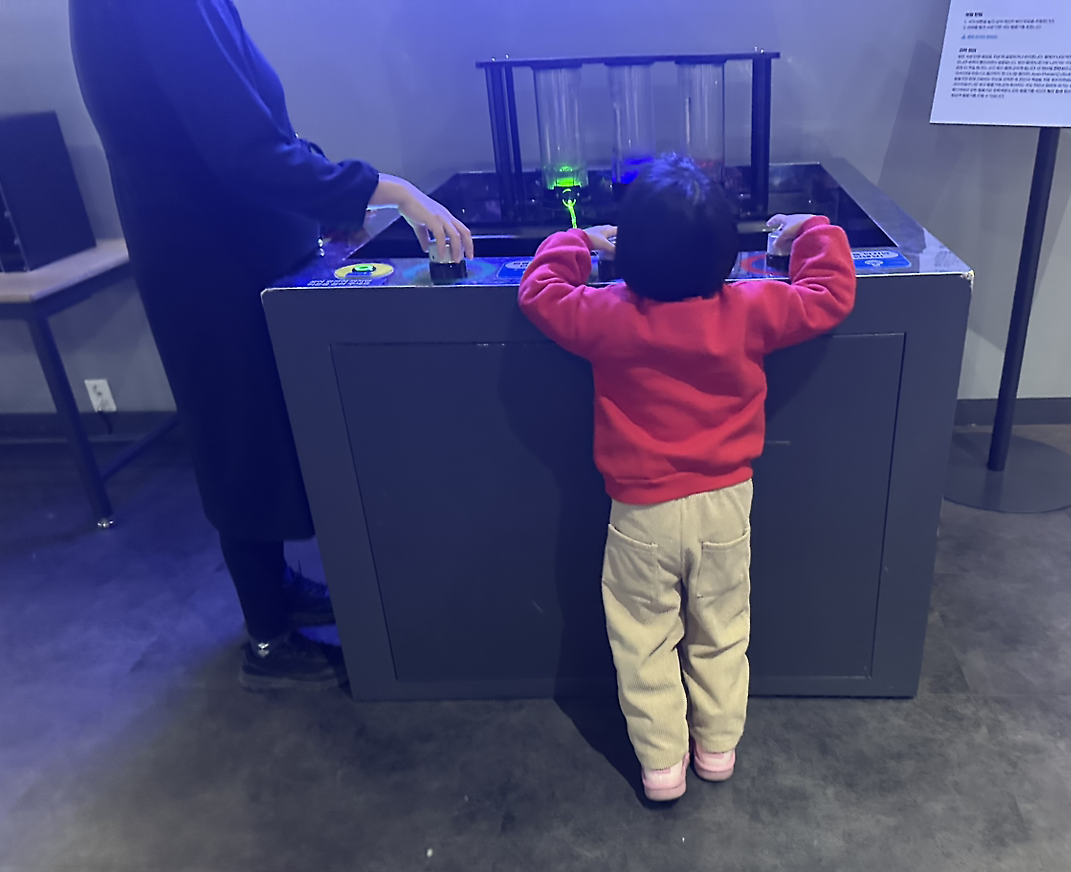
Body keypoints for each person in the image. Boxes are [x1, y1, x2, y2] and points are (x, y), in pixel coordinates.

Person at [69, 0, 473, 691]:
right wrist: (388, 190)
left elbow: (254, 126)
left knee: (258, 431)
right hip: (211, 267)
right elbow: (243, 151)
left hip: (228, 254)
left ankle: (276, 591)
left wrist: (330, 202)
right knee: (240, 438)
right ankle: (267, 638)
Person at [519, 155, 857, 801]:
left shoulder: (609, 315)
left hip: (640, 513)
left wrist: (577, 240)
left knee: (643, 639)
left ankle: (662, 765)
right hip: (726, 505)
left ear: (630, 252)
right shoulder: (752, 309)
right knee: (722, 629)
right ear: (727, 254)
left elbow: (540, 294)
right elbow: (830, 294)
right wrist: (810, 230)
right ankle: (718, 749)